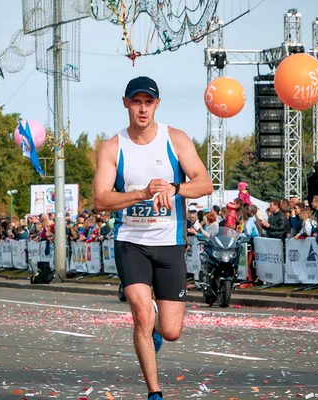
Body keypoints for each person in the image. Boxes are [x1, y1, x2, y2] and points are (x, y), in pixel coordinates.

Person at [93, 76, 213, 400]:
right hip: (130, 241)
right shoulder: (113, 147)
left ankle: (155, 328)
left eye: (148, 102)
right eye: (136, 101)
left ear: (157, 105)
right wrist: (141, 194)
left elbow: (205, 183)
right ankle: (155, 393)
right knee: (141, 313)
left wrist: (175, 189)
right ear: (126, 103)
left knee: (171, 331)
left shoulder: (175, 139)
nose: (142, 109)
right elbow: (101, 200)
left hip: (169, 243)